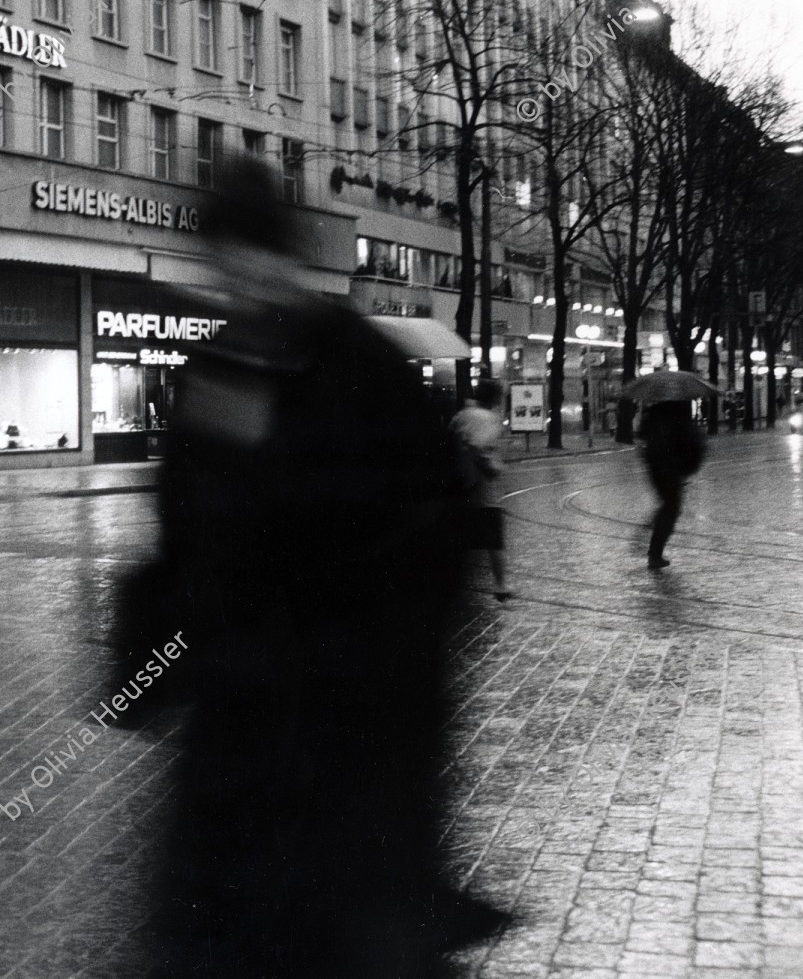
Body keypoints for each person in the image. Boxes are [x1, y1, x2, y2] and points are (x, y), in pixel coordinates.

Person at [104, 154, 509, 979]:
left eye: (248, 256)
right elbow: (188, 527)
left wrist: (374, 659)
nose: (236, 278)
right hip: (243, 705)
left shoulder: (355, 361)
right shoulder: (222, 364)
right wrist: (150, 657)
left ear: (283, 254)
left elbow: (427, 529)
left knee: (349, 921)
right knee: (221, 925)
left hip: (350, 711)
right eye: (221, 261)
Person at [453, 378, 511, 600]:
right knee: (493, 539)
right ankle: (501, 585)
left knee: (461, 537)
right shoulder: (490, 419)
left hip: (460, 484)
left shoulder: (461, 415)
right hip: (483, 486)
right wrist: (491, 467)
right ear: (494, 398)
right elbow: (480, 448)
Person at [639, 399, 705, 571]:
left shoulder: (653, 413)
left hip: (655, 466)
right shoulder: (678, 412)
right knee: (671, 508)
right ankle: (655, 554)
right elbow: (688, 439)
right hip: (671, 467)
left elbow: (642, 434)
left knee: (668, 505)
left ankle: (654, 549)